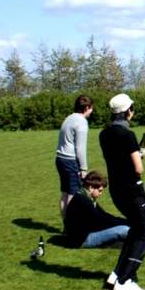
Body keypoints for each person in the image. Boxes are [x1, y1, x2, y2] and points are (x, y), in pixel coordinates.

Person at [99, 93, 145, 290]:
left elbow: (118, 158)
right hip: (132, 190)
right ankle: (125, 279)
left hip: (117, 190)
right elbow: (138, 168)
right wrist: (140, 155)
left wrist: (135, 153)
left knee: (134, 230)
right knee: (143, 233)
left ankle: (117, 273)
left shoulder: (103, 134)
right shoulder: (127, 135)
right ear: (128, 111)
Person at [64, 171, 130, 248]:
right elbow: (102, 220)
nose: (101, 193)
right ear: (91, 187)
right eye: (100, 190)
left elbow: (103, 215)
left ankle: (116, 243)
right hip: (81, 240)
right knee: (125, 230)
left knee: (121, 228)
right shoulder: (84, 202)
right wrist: (125, 223)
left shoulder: (84, 196)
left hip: (85, 234)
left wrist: (125, 221)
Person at [55, 95, 93, 223]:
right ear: (87, 107)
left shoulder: (69, 118)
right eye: (91, 108)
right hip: (70, 161)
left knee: (65, 193)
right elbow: (80, 148)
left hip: (60, 159)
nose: (91, 111)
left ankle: (66, 224)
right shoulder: (81, 122)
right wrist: (83, 168)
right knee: (74, 195)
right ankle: (72, 226)